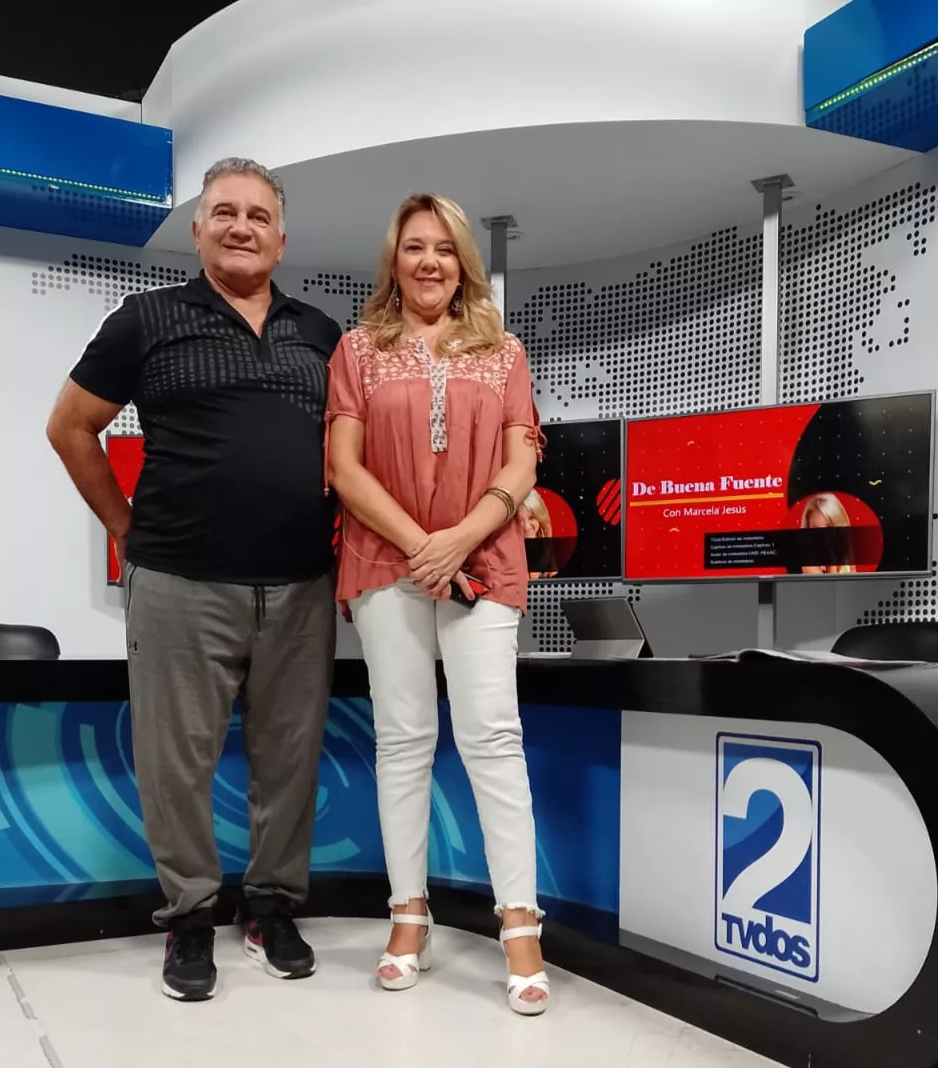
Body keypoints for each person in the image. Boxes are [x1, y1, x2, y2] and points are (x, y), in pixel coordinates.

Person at [46, 157, 341, 1001]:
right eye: (225, 212)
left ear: (281, 238)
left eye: (258, 215)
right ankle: (188, 918)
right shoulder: (146, 321)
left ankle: (272, 908)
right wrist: (123, 527)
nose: (242, 226)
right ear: (198, 229)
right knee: (176, 762)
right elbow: (70, 427)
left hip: (301, 584)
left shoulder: (323, 334)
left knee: (290, 759)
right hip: (179, 580)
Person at [325, 192, 550, 1016]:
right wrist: (423, 545)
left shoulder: (504, 351)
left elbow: (522, 461)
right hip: (385, 560)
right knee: (403, 738)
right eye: (415, 246)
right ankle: (407, 915)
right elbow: (344, 468)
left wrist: (461, 538)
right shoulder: (357, 349)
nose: (429, 261)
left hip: (482, 557)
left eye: (444, 248)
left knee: (492, 736)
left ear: (463, 264)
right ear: (394, 259)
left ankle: (519, 923)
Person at [800, 492, 856, 574]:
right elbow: (830, 582)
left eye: (828, 527)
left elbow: (853, 579)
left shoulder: (845, 549)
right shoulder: (808, 559)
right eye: (815, 528)